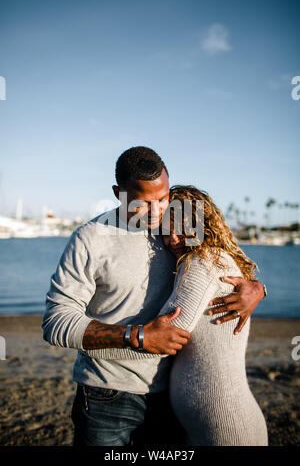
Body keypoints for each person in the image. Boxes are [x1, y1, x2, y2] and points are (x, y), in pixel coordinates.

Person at [42, 146, 267, 446]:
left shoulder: (177, 229)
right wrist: (138, 336)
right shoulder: (91, 238)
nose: (157, 212)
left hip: (167, 398)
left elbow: (223, 260)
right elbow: (56, 322)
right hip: (106, 395)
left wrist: (258, 288)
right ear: (118, 193)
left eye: (162, 199)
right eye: (144, 204)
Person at [97, 185, 268, 446]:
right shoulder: (211, 258)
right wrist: (259, 288)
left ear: (202, 226)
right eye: (167, 230)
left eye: (183, 228)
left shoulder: (201, 261)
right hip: (212, 425)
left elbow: (167, 337)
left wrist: (94, 343)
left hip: (226, 426)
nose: (173, 239)